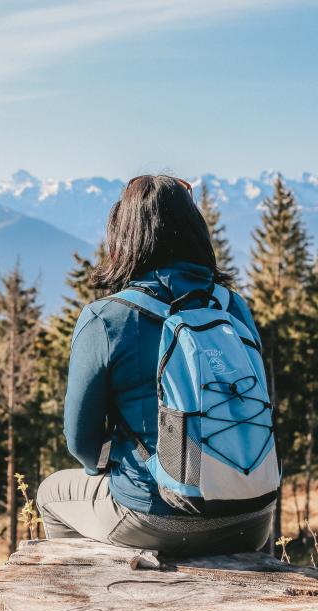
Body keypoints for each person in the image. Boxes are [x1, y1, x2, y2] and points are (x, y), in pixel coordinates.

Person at [36, 174, 274, 555]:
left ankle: (94, 598)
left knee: (50, 493)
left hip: (154, 517)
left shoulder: (107, 318)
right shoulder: (232, 308)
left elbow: (80, 441)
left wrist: (112, 466)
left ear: (124, 237)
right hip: (253, 517)